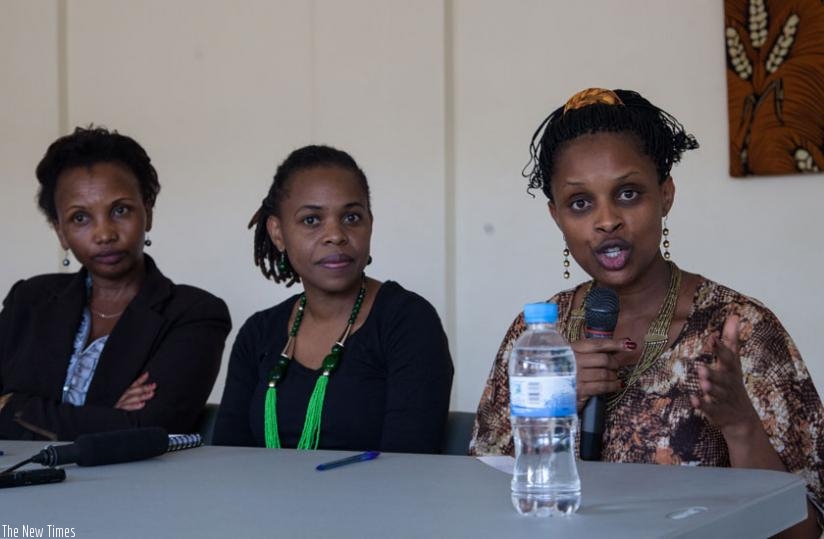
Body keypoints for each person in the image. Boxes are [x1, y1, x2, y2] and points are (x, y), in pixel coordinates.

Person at [469, 88, 824, 536]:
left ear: (665, 195)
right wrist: (552, 405)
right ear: (556, 216)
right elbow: (477, 497)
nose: (606, 221)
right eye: (580, 203)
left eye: (629, 194)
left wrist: (740, 423)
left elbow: (804, 531)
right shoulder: (538, 334)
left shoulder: (739, 329)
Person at [213, 145, 453, 453]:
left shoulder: (408, 321)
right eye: (312, 220)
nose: (336, 235)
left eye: (352, 217)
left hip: (378, 501)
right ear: (277, 233)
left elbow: (409, 467)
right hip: (264, 502)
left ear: (370, 223)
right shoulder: (257, 334)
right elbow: (228, 461)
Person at [0, 127, 231, 440]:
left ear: (147, 213)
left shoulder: (195, 314)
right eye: (80, 218)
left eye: (120, 210)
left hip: (129, 488)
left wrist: (15, 408)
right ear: (60, 232)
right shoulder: (28, 300)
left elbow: (148, 430)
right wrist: (111, 414)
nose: (105, 234)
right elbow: (123, 426)